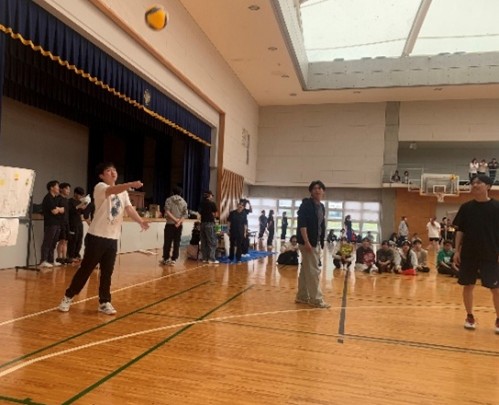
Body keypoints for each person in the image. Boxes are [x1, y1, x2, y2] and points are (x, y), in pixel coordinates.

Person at [58, 162, 149, 315]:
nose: (113, 173)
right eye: (108, 171)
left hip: (112, 238)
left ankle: (104, 302)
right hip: (97, 236)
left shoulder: (123, 193)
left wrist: (141, 221)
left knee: (107, 272)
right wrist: (130, 184)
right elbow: (112, 190)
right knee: (86, 270)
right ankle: (68, 297)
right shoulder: (100, 187)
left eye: (114, 170)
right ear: (101, 175)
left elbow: (129, 209)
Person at [452, 174, 499, 333]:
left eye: (479, 182)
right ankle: (470, 316)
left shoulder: (497, 207)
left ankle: (498, 319)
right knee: (468, 285)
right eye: (473, 183)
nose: (475, 185)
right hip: (469, 253)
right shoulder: (466, 208)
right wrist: (456, 250)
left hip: (491, 253)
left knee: (496, 289)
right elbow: (460, 231)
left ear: (488, 186)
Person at [295, 180, 329, 308]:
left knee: (305, 270)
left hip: (316, 241)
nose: (317, 190)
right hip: (308, 243)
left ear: (323, 191)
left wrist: (321, 241)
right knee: (314, 271)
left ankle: (302, 296)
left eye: (320, 188)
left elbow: (321, 225)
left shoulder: (321, 207)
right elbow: (302, 225)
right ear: (311, 191)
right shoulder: (306, 205)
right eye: (315, 188)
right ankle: (316, 299)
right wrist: (307, 242)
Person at [39, 180, 64, 268]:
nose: (58, 188)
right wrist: (59, 209)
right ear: (51, 188)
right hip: (50, 224)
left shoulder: (55, 198)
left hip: (57, 223)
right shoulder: (48, 198)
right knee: (47, 242)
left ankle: (50, 260)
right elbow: (54, 211)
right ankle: (43, 260)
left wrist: (59, 209)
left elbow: (62, 210)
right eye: (57, 186)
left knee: (53, 243)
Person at [161, 186, 188, 266]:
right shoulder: (184, 202)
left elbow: (167, 211)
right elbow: (185, 215)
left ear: (172, 192)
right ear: (181, 193)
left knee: (167, 242)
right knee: (177, 242)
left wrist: (175, 220)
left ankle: (166, 259)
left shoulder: (168, 200)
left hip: (169, 224)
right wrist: (178, 222)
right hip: (178, 225)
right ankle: (174, 259)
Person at [67, 186, 89, 262]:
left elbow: (82, 212)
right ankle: (71, 256)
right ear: (75, 193)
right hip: (72, 223)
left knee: (79, 239)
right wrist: (79, 206)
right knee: (73, 240)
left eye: (82, 195)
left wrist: (84, 206)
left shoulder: (80, 202)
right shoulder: (70, 201)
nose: (80, 197)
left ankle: (77, 255)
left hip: (79, 222)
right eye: (80, 195)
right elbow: (70, 211)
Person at [198, 190, 218, 264]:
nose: (212, 197)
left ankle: (204, 258)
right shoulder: (212, 203)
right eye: (211, 195)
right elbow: (216, 214)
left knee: (204, 241)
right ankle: (211, 259)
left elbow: (199, 213)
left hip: (202, 223)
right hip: (210, 223)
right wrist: (212, 215)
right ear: (209, 195)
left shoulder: (201, 203)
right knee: (212, 241)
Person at [56, 182, 71, 264]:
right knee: (61, 240)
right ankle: (59, 257)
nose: (69, 191)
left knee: (65, 240)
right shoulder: (58, 199)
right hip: (60, 222)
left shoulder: (66, 200)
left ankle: (65, 257)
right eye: (67, 189)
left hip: (66, 222)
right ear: (61, 189)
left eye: (69, 189)